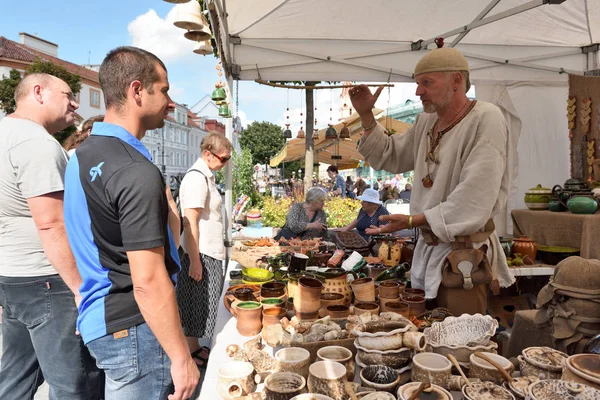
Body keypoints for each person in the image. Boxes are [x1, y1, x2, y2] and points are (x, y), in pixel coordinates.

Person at [63, 46, 199, 399]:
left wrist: (83, 294)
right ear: (137, 91)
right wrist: (182, 356)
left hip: (106, 320)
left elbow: (70, 233)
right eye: (164, 90)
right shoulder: (135, 170)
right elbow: (149, 280)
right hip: (133, 328)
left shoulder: (82, 156)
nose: (170, 102)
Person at [349, 46, 514, 316]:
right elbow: (390, 156)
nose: (418, 92)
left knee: (461, 343)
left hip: (463, 258)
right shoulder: (426, 122)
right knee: (427, 337)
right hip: (429, 251)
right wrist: (367, 116)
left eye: (427, 83)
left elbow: (475, 197)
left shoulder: (486, 118)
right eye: (417, 84)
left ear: (456, 81)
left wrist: (413, 220)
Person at [0, 73, 103, 399]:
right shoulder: (36, 143)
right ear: (38, 92)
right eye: (68, 95)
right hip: (47, 280)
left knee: (15, 375)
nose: (74, 104)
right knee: (72, 383)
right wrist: (80, 289)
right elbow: (52, 224)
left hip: (12, 278)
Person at [177, 132, 232, 368]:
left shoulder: (205, 176)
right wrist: (195, 260)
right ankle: (190, 352)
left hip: (206, 250)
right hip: (200, 251)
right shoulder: (196, 178)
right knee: (196, 304)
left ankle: (194, 348)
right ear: (208, 154)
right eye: (223, 159)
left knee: (198, 304)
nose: (225, 163)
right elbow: (190, 221)